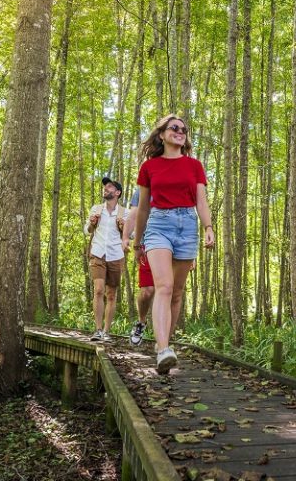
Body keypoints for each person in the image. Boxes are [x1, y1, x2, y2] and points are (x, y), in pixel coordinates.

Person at [134, 115, 214, 374]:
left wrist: (208, 228)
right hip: (159, 225)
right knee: (164, 287)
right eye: (174, 128)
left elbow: (201, 201)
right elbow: (143, 207)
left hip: (188, 225)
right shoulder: (149, 167)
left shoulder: (194, 166)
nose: (180, 132)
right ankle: (163, 348)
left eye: (184, 129)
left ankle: (164, 349)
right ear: (162, 135)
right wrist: (138, 241)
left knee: (177, 293)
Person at [122, 187, 196, 346]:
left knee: (173, 292)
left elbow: (188, 220)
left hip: (177, 248)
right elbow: (133, 216)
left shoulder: (182, 186)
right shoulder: (143, 189)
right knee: (147, 291)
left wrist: (191, 254)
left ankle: (164, 344)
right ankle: (141, 322)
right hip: (150, 245)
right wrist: (126, 238)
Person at [84, 177, 127, 341]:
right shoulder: (96, 208)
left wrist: (123, 226)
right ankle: (98, 330)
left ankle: (107, 333)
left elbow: (131, 235)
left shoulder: (125, 212)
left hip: (116, 256)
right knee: (99, 290)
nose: (106, 189)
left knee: (111, 294)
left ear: (117, 193)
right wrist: (91, 223)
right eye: (105, 187)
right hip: (98, 253)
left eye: (110, 187)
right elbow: (87, 230)